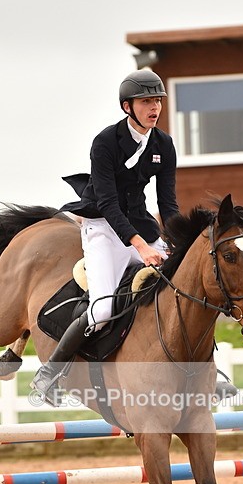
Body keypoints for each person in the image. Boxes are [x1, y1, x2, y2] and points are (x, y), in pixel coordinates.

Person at [31, 69, 178, 406]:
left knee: (181, 292)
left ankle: (213, 377)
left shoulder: (163, 144)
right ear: (128, 106)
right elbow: (110, 204)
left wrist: (175, 242)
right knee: (101, 310)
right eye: (146, 101)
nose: (154, 107)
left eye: (157, 100)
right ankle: (49, 374)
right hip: (102, 228)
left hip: (141, 226)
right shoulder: (106, 142)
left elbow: (167, 203)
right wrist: (140, 246)